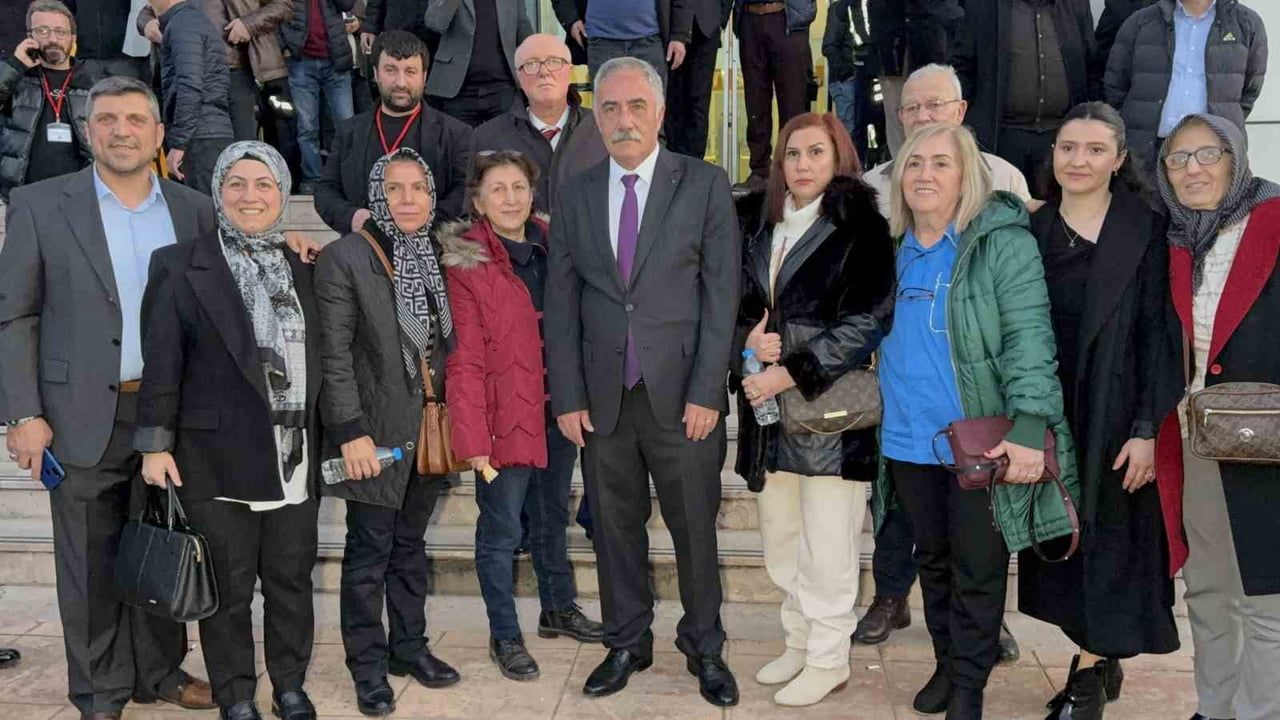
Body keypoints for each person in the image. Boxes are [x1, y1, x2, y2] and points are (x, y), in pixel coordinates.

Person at [0, 76, 216, 720]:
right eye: (108, 119)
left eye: (135, 120)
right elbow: (14, 315)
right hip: (79, 414)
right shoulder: (40, 204)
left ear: (159, 134)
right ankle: (99, 688)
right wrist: (23, 413)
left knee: (162, 540)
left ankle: (160, 672)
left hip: (171, 413)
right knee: (89, 560)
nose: (122, 131)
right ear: (87, 131)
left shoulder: (194, 210)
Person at [545, 56, 741, 707]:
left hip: (683, 398)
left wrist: (708, 390)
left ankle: (705, 646)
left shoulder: (705, 184)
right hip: (604, 402)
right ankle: (627, 641)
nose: (623, 119)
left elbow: (721, 296)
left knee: (695, 531)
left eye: (636, 106)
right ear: (596, 118)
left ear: (659, 112)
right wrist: (568, 395)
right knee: (613, 529)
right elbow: (562, 301)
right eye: (610, 108)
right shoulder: (575, 192)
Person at [876, 122, 1080, 719]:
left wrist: (1028, 425)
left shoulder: (1000, 244)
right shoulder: (890, 248)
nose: (925, 175)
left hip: (980, 442)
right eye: (914, 164)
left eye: (941, 163)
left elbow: (1029, 339)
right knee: (933, 561)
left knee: (978, 568)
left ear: (966, 176)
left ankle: (968, 686)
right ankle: (948, 662)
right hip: (907, 438)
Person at [134, 141, 322, 720]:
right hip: (214, 458)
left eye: (264, 184)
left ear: (282, 194)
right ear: (217, 192)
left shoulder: (304, 264)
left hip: (292, 457)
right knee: (230, 588)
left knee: (290, 580)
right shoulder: (179, 264)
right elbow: (162, 362)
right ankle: (236, 694)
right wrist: (154, 444)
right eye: (236, 183)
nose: (250, 196)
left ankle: (289, 686)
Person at [856, 62, 1029, 661]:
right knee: (919, 540)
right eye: (912, 108)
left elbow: (1021, 322)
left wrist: (1027, 416)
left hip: (974, 419)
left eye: (936, 105)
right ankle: (917, 628)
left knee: (975, 557)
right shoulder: (882, 210)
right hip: (905, 419)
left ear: (961, 112)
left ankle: (974, 660)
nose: (923, 116)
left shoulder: (1001, 197)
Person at [1019, 102, 1182, 720]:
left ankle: (1088, 678)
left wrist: (1147, 430)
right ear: (1052, 155)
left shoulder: (1147, 229)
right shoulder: (1032, 229)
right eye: (1068, 147)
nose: (1078, 160)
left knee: (1112, 547)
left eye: (1094, 149)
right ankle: (1100, 659)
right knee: (1064, 547)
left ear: (1119, 160)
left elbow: (1160, 336)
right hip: (1051, 414)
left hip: (1118, 417)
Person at [732, 113, 894, 707]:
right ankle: (799, 642)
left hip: (828, 411)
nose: (803, 164)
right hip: (767, 412)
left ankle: (828, 658)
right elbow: (734, 302)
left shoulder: (862, 227)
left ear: (838, 157)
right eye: (793, 153)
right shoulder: (756, 223)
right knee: (781, 538)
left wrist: (792, 369)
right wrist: (747, 340)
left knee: (828, 544)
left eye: (816, 152)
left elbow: (869, 319)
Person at [438, 150, 605, 681]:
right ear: (478, 200)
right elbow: (464, 359)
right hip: (501, 417)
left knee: (552, 515)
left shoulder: (556, 245)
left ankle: (557, 608)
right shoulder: (466, 262)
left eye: (519, 187)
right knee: (502, 528)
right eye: (498, 189)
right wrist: (472, 438)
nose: (510, 198)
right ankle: (505, 634)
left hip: (557, 410)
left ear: (533, 193)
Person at [314, 147, 461, 717]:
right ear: (377, 195)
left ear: (431, 196)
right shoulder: (346, 257)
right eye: (394, 189)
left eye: (417, 188)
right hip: (373, 433)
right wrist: (349, 430)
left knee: (410, 547)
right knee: (368, 553)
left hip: (428, 428)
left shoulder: (441, 254)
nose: (407, 199)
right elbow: (335, 355)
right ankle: (368, 668)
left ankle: (409, 648)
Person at [1153, 113, 1280, 720]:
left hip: (1268, 438)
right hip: (1194, 438)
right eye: (1178, 159)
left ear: (1236, 157)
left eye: (1208, 154)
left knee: (1268, 595)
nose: (1193, 169)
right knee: (1207, 587)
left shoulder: (1274, 220)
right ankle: (1214, 707)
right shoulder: (1177, 237)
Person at [314, 30, 472, 233]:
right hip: (364, 244)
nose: (400, 83)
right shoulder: (349, 132)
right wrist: (354, 217)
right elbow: (325, 190)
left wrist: (418, 222)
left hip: (434, 244)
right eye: (391, 70)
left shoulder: (456, 134)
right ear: (376, 74)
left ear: (424, 76)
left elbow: (466, 193)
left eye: (410, 71)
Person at [1104, 0, 1268, 176]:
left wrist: (1226, 117)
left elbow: (1250, 89)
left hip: (1214, 151)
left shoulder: (1245, 22)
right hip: (1147, 151)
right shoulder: (1141, 21)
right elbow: (1116, 85)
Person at [952, 0, 1102, 184]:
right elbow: (962, 68)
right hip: (1003, 138)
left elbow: (1092, 67)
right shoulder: (983, 6)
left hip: (1061, 138)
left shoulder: (1075, 5)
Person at [469, 34, 608, 214]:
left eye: (554, 62)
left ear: (570, 71)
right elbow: (475, 213)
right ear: (518, 76)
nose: (544, 72)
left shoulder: (602, 128)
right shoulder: (488, 137)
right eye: (532, 64)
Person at [138, 0, 293, 142]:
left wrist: (248, 25)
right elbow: (148, 10)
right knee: (188, 145)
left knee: (241, 144)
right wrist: (147, 23)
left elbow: (283, 5)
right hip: (186, 71)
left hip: (236, 71)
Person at [1, 0, 94, 201]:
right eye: (42, 31)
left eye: (60, 32)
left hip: (76, 197)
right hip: (22, 196)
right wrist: (16, 65)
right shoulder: (16, 78)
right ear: (29, 37)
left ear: (72, 38)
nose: (52, 39)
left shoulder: (89, 84)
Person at [147, 0, 236, 194]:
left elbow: (190, 85)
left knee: (202, 208)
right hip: (205, 133)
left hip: (200, 138)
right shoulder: (188, 21)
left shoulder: (183, 24)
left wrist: (179, 143)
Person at [732, 0, 815, 192]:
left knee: (792, 105)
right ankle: (759, 172)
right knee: (755, 102)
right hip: (750, 18)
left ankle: (792, 171)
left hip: (787, 19)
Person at [278, 0, 358, 192]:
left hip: (335, 60)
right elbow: (275, 12)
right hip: (301, 61)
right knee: (307, 127)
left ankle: (348, 178)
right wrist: (284, 47)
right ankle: (313, 179)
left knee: (347, 125)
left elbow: (347, 4)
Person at [865, 0, 961, 156]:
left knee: (937, 110)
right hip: (891, 42)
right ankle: (901, 163)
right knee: (898, 115)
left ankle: (939, 158)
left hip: (935, 39)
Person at [421, 0, 532, 127]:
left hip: (502, 88)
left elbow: (523, 29)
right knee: (458, 139)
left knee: (508, 137)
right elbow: (435, 23)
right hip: (457, 91)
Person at [551, 0, 691, 86]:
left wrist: (680, 34)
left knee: (650, 115)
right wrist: (571, 19)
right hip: (601, 42)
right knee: (607, 114)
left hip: (650, 41)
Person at [663, 0, 731, 159]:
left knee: (699, 105)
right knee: (671, 102)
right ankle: (671, 164)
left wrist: (720, 20)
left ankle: (695, 166)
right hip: (670, 28)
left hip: (706, 27)